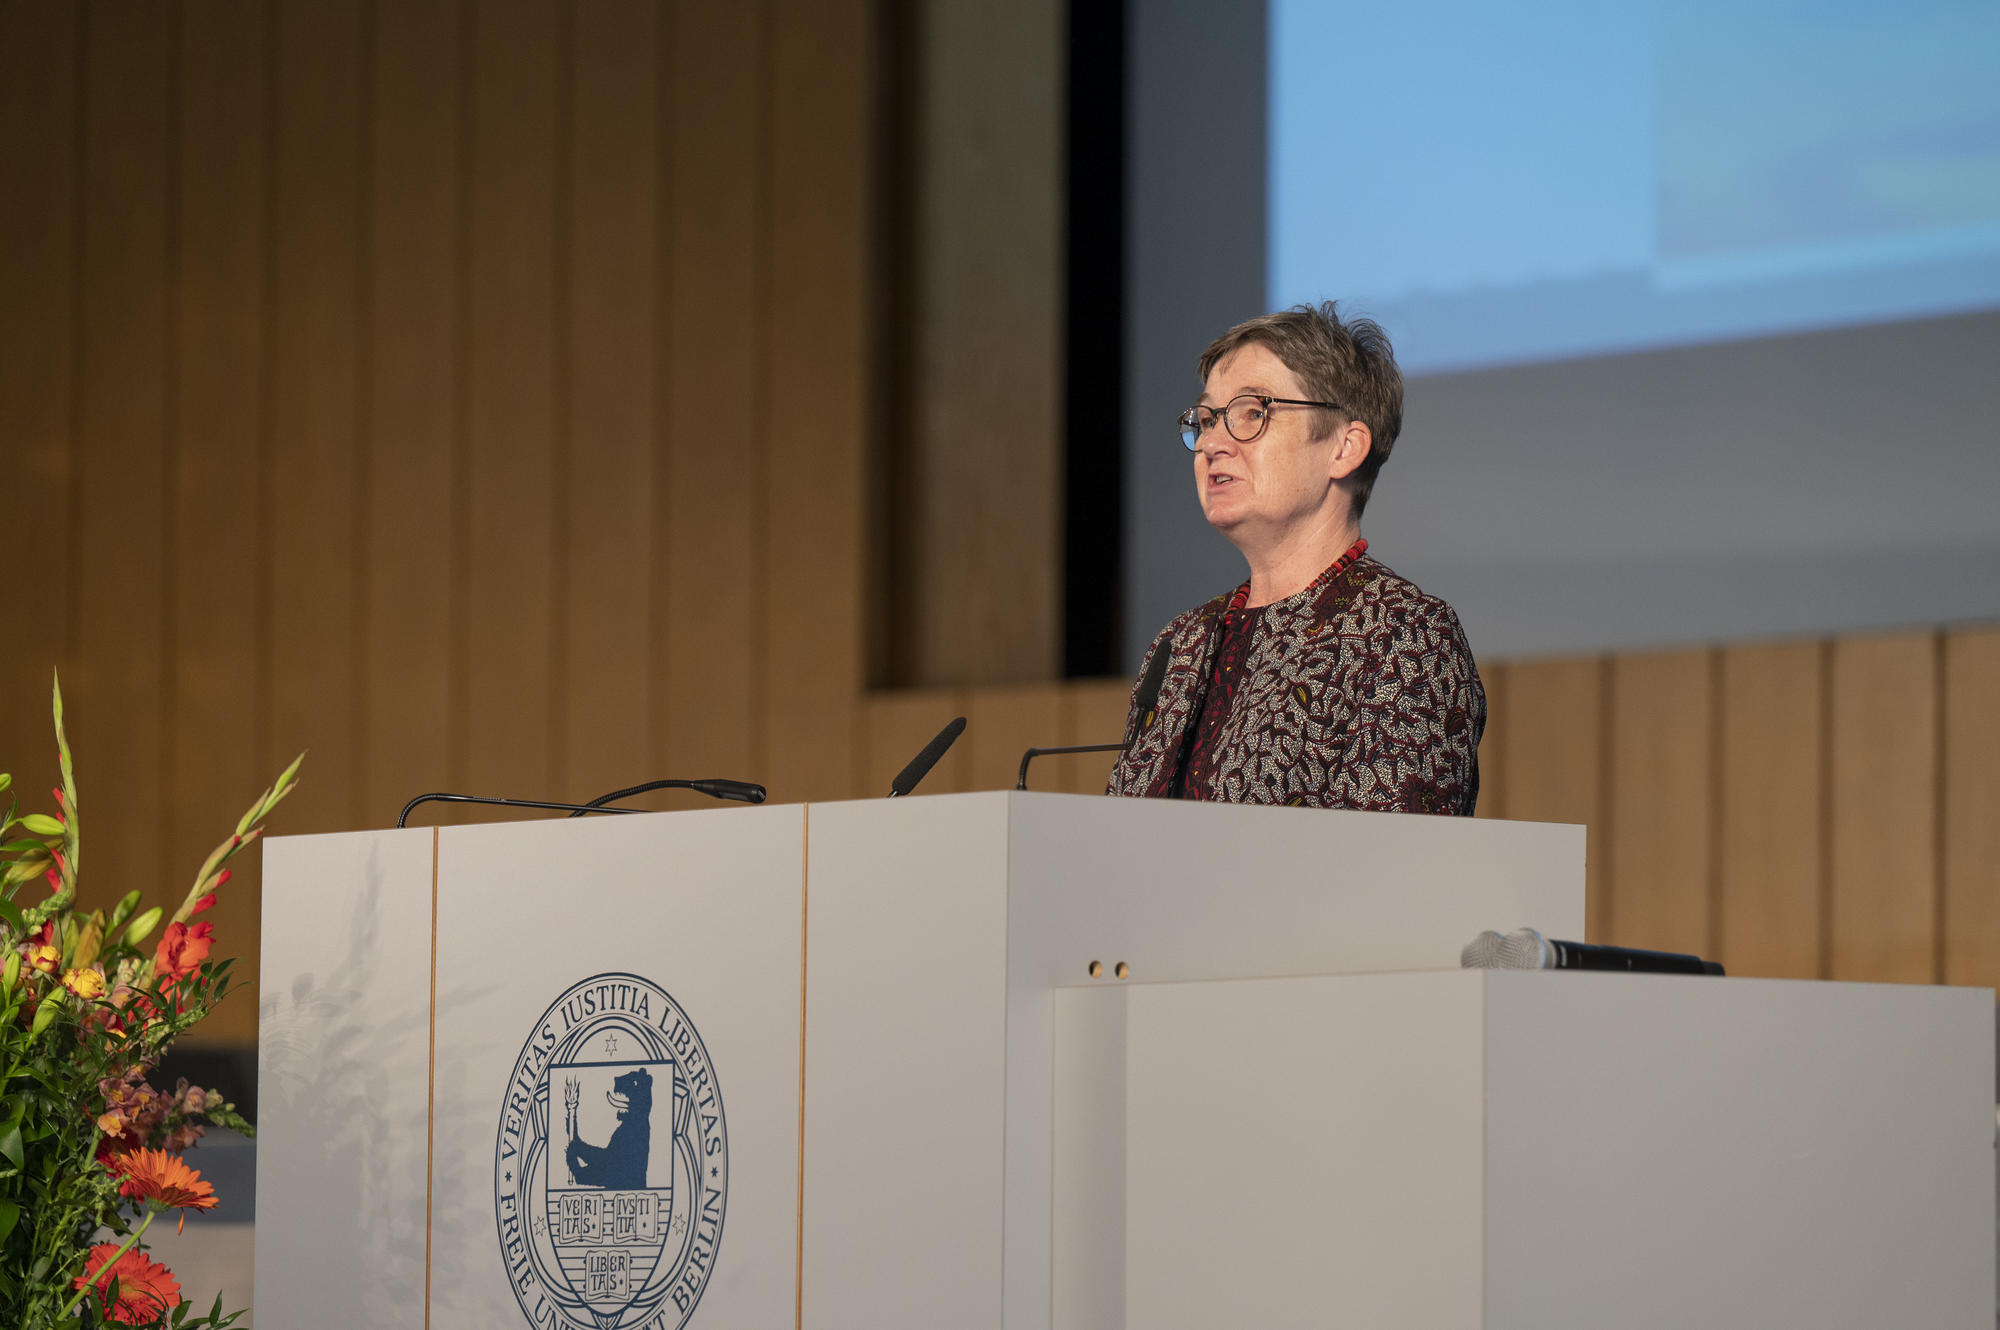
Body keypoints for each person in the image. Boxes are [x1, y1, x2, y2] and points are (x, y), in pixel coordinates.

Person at [1106, 302, 1484, 813]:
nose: (1212, 443)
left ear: (1344, 448)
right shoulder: (1181, 644)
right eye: (1207, 419)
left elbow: (1390, 869)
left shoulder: (1402, 635)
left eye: (1251, 413)